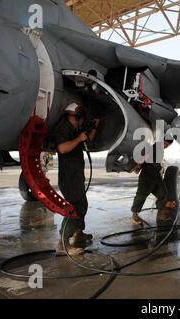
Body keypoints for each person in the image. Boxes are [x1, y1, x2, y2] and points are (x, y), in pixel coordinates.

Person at [54, 102, 99, 256]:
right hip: (69, 178)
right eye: (80, 118)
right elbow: (62, 148)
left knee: (82, 205)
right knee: (73, 208)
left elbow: (87, 141)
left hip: (76, 176)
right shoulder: (64, 129)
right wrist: (79, 139)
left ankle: (77, 233)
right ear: (76, 117)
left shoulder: (75, 131)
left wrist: (94, 128)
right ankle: (63, 243)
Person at [130, 139, 174, 225]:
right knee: (141, 195)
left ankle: (160, 214)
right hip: (147, 175)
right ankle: (135, 215)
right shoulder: (153, 147)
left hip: (156, 176)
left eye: (167, 145)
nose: (165, 145)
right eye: (165, 143)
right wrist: (138, 165)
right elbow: (144, 157)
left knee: (163, 194)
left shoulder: (160, 150)